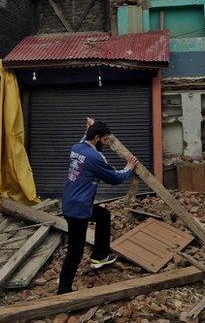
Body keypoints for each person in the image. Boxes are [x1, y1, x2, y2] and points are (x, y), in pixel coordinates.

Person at [57, 117, 137, 295]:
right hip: (79, 210)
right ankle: (63, 291)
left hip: (70, 202)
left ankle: (99, 256)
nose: (106, 143)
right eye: (104, 140)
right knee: (75, 253)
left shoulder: (76, 148)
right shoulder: (95, 157)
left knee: (103, 215)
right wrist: (128, 168)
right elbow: (114, 178)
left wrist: (89, 129)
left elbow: (83, 139)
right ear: (96, 138)